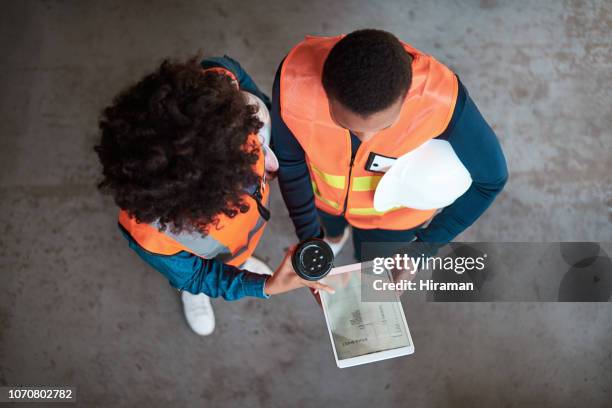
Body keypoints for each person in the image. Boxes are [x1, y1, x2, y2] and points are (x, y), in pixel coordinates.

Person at [95, 56, 333, 336]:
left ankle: (240, 262)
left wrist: (259, 112)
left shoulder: (228, 117)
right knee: (195, 276)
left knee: (237, 256)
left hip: (241, 238)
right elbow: (196, 274)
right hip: (206, 258)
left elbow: (228, 69)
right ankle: (193, 295)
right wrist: (260, 286)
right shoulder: (150, 235)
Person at [272, 29, 508, 261]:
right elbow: (290, 162)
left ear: (407, 95)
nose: (365, 138)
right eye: (345, 124)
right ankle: (333, 239)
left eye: (384, 126)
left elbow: (491, 181)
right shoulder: (295, 82)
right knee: (330, 230)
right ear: (326, 92)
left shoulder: (441, 100)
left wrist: (423, 248)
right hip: (324, 201)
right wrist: (309, 238)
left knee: (370, 269)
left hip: (393, 222)